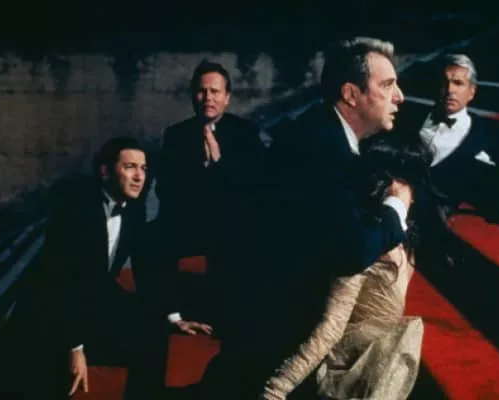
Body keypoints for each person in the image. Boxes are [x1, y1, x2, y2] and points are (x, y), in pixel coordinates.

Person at [200, 37, 413, 399]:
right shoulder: (321, 148)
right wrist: (397, 207)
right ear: (351, 94)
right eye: (388, 85)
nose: (400, 97)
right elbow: (352, 252)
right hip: (275, 325)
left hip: (275, 314)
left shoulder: (324, 134)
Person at [0, 137, 207, 400]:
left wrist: (173, 316)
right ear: (105, 172)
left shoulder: (133, 209)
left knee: (153, 331)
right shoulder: (76, 210)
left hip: (95, 295)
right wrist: (75, 348)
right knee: (50, 376)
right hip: (49, 305)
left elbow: (144, 264)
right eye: (129, 167)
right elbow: (61, 281)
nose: (139, 177)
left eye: (143, 168)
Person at [261, 137, 445, 399]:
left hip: (375, 369)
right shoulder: (369, 244)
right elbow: (332, 326)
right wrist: (276, 390)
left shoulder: (401, 237)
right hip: (345, 374)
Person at [155, 59, 266, 328]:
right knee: (152, 238)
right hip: (191, 222)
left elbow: (256, 186)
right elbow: (165, 189)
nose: (208, 98)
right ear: (193, 96)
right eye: (202, 91)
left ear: (227, 98)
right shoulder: (176, 135)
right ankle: (171, 316)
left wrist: (219, 163)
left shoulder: (245, 134)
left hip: (233, 223)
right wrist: (200, 172)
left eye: (215, 92)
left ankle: (238, 315)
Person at [412, 54, 499, 227]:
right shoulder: (412, 119)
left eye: (458, 83)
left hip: (432, 215)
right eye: (445, 82)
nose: (450, 90)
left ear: (471, 92)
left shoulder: (484, 134)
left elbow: (494, 180)